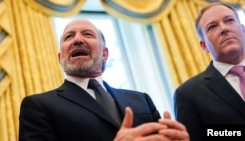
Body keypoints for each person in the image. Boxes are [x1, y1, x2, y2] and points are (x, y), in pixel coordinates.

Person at [19, 19, 189, 141]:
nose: (78, 39)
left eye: (87, 34)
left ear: (105, 54)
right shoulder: (38, 106)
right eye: (69, 37)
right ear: (60, 57)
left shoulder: (141, 99)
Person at [174, 2, 245, 141]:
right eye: (212, 26)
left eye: (229, 20)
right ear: (204, 45)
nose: (224, 28)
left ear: (243, 30)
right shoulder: (188, 94)